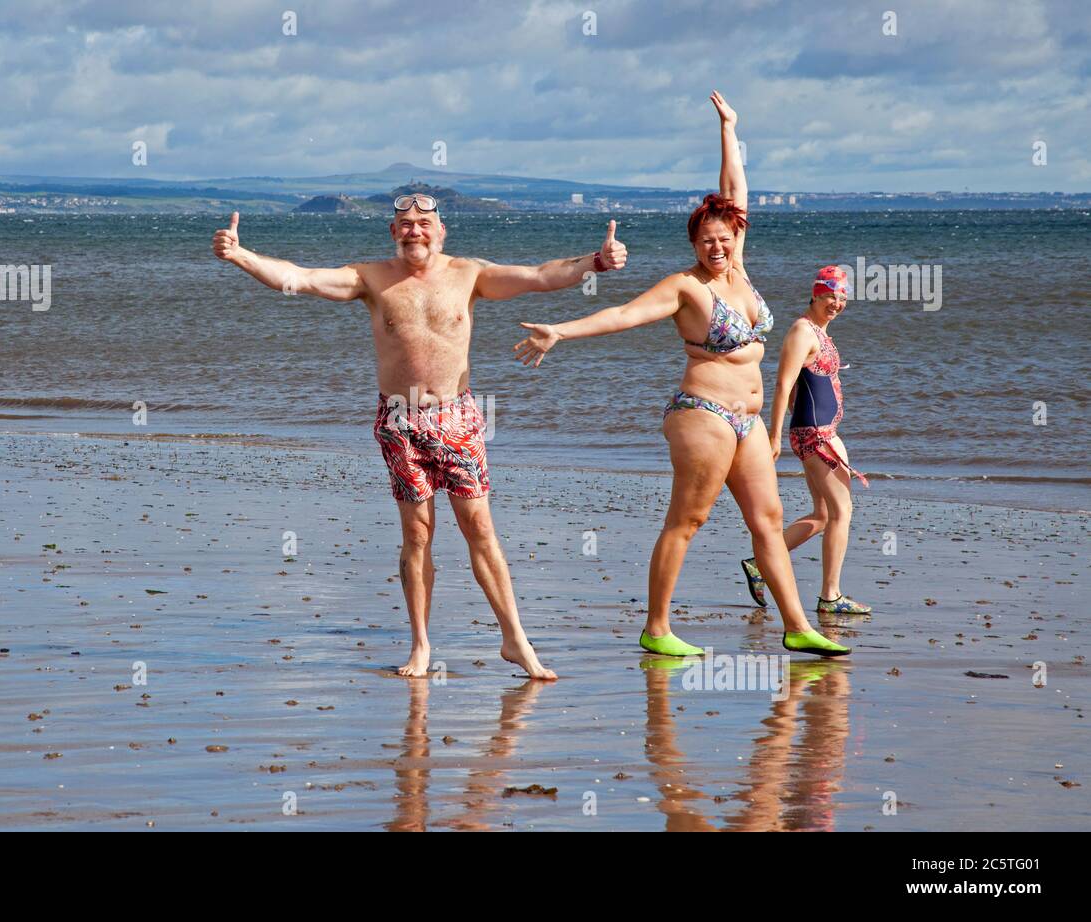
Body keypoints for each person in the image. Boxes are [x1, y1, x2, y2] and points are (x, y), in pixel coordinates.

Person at [214, 195, 630, 678]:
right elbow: (298, 277)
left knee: (479, 528)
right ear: (393, 233)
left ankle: (516, 641)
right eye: (405, 224)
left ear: (442, 230)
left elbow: (541, 275)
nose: (415, 231)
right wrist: (241, 255)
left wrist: (597, 262)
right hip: (399, 421)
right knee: (416, 534)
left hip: (457, 418)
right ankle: (421, 645)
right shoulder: (370, 277)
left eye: (424, 223)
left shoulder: (469, 274)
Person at [513, 91, 850, 658]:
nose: (717, 245)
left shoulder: (739, 271)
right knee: (688, 519)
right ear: (695, 244)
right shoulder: (684, 287)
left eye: (725, 236)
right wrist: (560, 331)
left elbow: (734, 192)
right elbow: (623, 315)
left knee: (768, 520)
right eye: (707, 239)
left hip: (746, 420)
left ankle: (797, 624)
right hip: (703, 415)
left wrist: (729, 128)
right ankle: (658, 627)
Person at [740, 266, 872, 614]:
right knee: (843, 510)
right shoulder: (802, 331)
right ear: (815, 294)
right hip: (816, 434)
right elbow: (784, 383)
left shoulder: (819, 332)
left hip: (821, 431)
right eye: (831, 295)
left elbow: (803, 386)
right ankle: (830, 596)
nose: (837, 303)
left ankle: (760, 564)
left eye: (842, 297)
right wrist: (775, 435)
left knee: (825, 513)